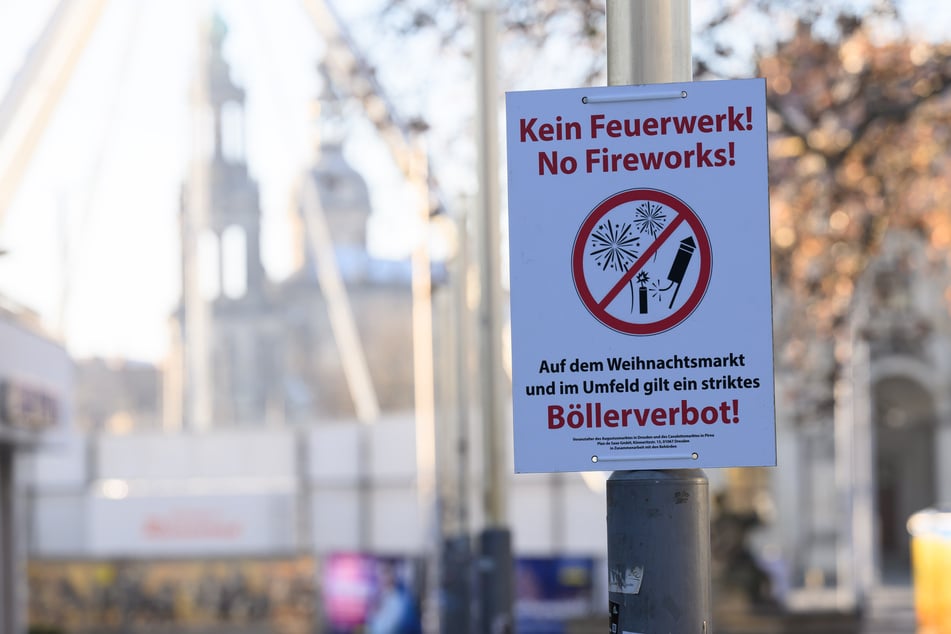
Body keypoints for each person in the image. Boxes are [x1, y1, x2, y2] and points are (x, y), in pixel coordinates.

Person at [367, 563, 422, 634]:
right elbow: (373, 623)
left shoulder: (401, 600)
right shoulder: (380, 596)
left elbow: (395, 625)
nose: (383, 578)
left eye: (386, 573)